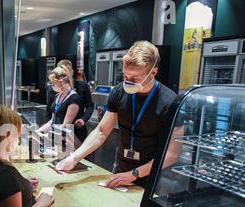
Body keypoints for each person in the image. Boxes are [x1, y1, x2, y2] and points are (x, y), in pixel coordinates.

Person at [57, 41, 183, 188]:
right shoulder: (118, 92)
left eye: (134, 78)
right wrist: (74, 158)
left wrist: (134, 174)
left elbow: (172, 154)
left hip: (151, 175)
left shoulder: (170, 101)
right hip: (120, 168)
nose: (128, 82)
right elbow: (101, 132)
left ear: (153, 72)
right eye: (125, 76)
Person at [37, 65, 85, 144]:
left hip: (69, 140)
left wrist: (48, 135)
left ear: (61, 82)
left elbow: (65, 126)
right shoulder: (58, 96)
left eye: (54, 82)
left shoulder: (74, 98)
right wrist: (38, 131)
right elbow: (52, 121)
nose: (53, 85)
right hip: (58, 137)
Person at [46, 59, 93, 135]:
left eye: (67, 71)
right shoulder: (52, 90)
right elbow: (49, 113)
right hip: (58, 132)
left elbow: (90, 106)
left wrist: (83, 119)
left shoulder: (82, 86)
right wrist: (49, 130)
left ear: (72, 71)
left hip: (76, 131)